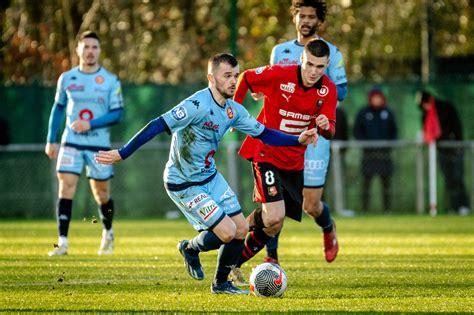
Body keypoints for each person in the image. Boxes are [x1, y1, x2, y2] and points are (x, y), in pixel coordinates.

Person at [95, 53, 317, 295]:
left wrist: (297, 139)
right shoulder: (196, 105)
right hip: (183, 183)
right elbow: (158, 124)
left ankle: (221, 284)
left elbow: (263, 133)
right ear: (211, 78)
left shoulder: (233, 110)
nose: (233, 81)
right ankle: (190, 248)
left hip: (210, 177)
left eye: (235, 75)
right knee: (227, 232)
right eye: (227, 76)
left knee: (241, 229)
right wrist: (123, 153)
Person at [228, 38, 338, 285]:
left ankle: (233, 259)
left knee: (273, 224)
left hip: (294, 161)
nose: (313, 72)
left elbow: (331, 129)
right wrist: (234, 113)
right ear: (301, 59)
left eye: (319, 67)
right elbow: (245, 78)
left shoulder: (327, 90)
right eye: (309, 64)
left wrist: (325, 126)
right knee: (275, 215)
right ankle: (233, 235)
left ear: (327, 65)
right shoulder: (279, 74)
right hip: (265, 152)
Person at [263, 0, 348, 265]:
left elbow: (342, 91)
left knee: (310, 204)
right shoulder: (280, 51)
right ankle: (271, 258)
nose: (306, 20)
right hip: (283, 135)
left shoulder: (331, 53)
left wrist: (316, 88)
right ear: (295, 18)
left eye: (312, 16)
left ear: (319, 21)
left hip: (313, 137)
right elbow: (272, 83)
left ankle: (327, 226)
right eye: (302, 15)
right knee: (278, 199)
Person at [45, 31, 124, 256]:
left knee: (101, 194)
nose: (90, 51)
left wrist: (91, 124)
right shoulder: (67, 78)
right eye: (86, 47)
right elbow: (58, 108)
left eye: (94, 47)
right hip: (71, 143)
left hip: (99, 146)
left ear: (99, 51)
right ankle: (62, 242)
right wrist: (51, 140)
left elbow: (118, 114)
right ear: (78, 50)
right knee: (66, 186)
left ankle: (108, 232)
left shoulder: (110, 81)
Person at [417, 91, 470, 216]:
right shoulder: (425, 115)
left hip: (454, 149)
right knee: (448, 180)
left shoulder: (446, 108)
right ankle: (452, 207)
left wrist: (457, 145)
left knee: (458, 179)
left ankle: (463, 206)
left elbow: (457, 126)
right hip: (441, 152)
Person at [353, 87, 398, 213]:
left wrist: (389, 145)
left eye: (379, 97)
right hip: (368, 155)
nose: (376, 100)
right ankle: (364, 209)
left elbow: (394, 132)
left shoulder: (388, 113)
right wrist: (365, 144)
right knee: (366, 184)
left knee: (386, 184)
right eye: (374, 98)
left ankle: (387, 210)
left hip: (385, 155)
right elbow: (357, 131)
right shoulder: (363, 113)